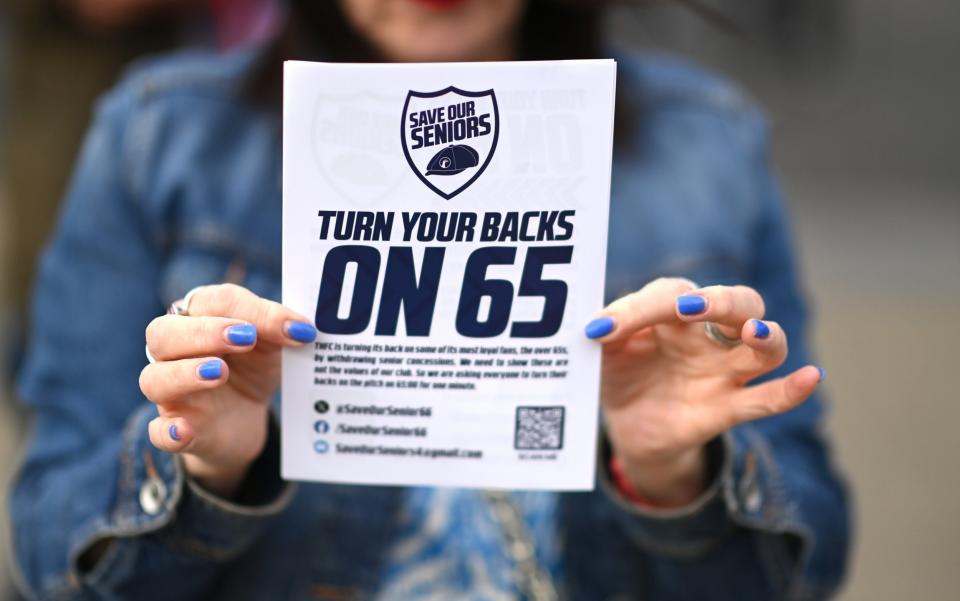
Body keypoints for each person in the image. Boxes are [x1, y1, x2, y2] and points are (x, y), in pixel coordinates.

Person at [9, 1, 850, 599]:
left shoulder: (707, 141)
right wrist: (204, 464)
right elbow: (49, 555)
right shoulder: (158, 136)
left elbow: (807, 561)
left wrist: (674, 476)